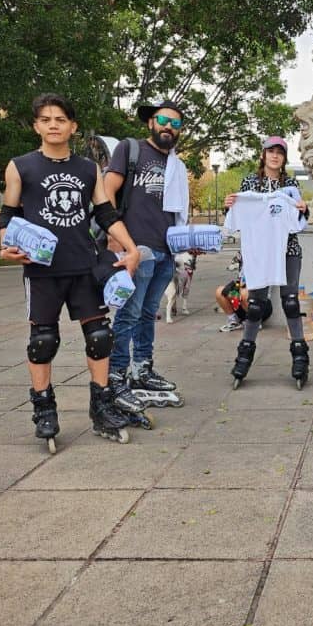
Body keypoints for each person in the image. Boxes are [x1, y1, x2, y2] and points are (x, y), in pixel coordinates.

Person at [0, 94, 140, 449]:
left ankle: (101, 406)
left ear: (72, 126)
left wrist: (131, 247)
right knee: (42, 341)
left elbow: (105, 214)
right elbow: (8, 217)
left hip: (85, 266)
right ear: (36, 126)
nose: (53, 125)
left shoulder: (88, 168)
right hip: (42, 269)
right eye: (45, 119)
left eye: (60, 119)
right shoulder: (20, 167)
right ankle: (44, 409)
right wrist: (7, 245)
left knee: (99, 337)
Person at [104, 99, 189, 411]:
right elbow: (106, 191)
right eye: (163, 120)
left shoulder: (176, 165)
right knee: (128, 313)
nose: (169, 127)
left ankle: (142, 369)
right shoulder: (130, 149)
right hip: (136, 247)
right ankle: (116, 374)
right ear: (151, 122)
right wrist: (116, 236)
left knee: (148, 313)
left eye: (176, 123)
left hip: (166, 248)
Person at [224, 135, 310, 387]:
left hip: (288, 250)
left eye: (279, 152)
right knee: (255, 305)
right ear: (263, 155)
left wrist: (304, 209)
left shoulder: (291, 184)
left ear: (284, 158)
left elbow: (300, 219)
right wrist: (229, 207)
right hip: (259, 252)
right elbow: (237, 218)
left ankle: (300, 356)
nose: (274, 156)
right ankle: (244, 355)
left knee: (291, 301)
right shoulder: (250, 182)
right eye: (270, 151)